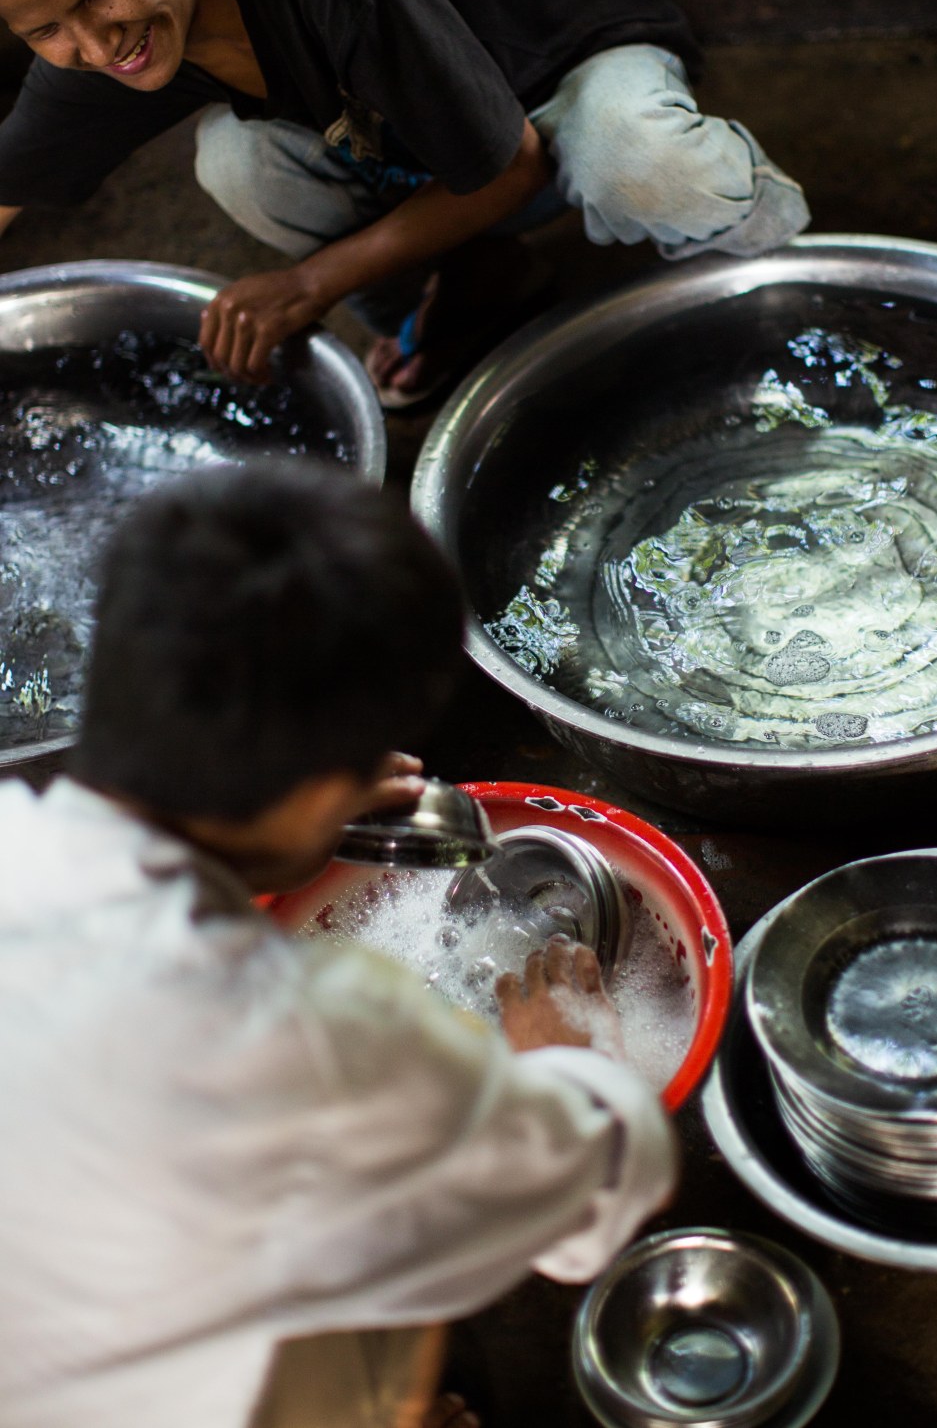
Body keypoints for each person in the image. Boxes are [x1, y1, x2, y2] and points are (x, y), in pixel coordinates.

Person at [0, 461, 676, 1428]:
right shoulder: (319, 1036)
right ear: (323, 788)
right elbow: (594, 1197)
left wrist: (296, 797)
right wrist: (569, 1056)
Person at [0, 0, 809, 409]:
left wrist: (313, 285)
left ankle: (791, 280)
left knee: (642, 162)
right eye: (45, 32)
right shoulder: (104, 40)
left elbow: (515, 169)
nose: (97, 45)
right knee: (241, 162)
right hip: (434, 138)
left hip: (566, 86)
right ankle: (468, 290)